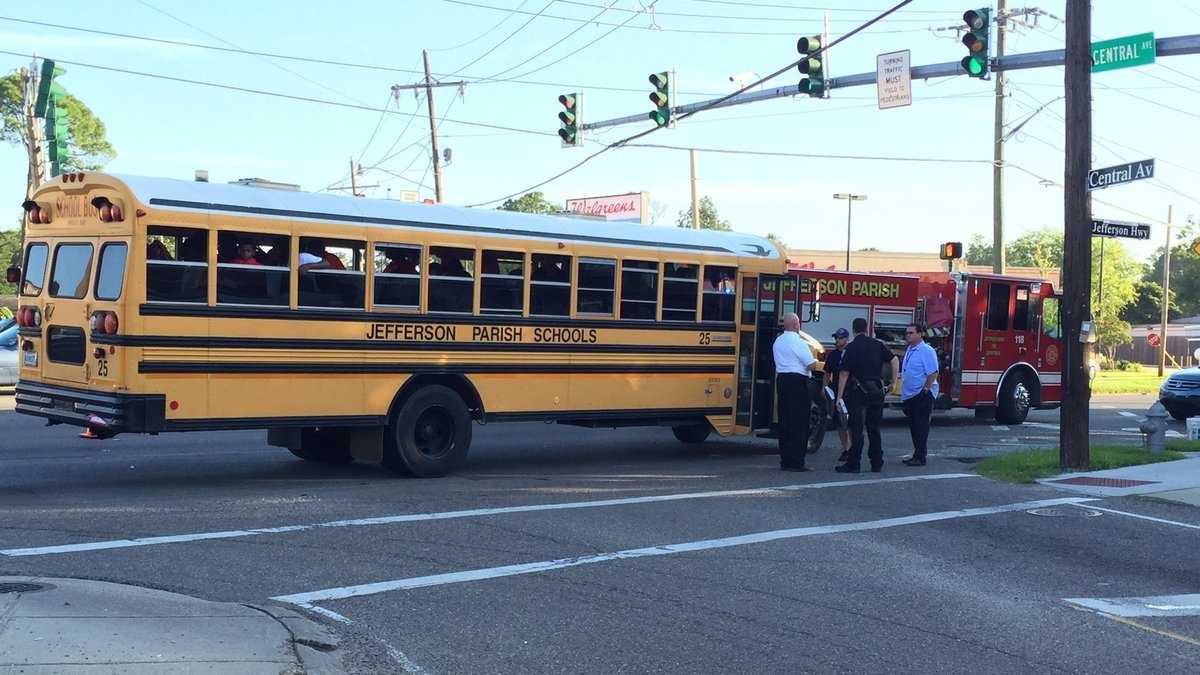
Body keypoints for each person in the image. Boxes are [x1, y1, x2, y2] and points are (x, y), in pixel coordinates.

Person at [835, 317, 899, 473]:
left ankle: (854, 463)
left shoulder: (851, 348)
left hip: (858, 392)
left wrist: (839, 396)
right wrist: (893, 382)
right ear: (866, 328)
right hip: (876, 391)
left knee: (857, 429)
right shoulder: (878, 344)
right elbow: (895, 360)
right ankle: (877, 463)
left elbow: (844, 373)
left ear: (854, 330)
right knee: (874, 428)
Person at [772, 312, 817, 472]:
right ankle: (797, 461)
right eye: (798, 323)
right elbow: (810, 364)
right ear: (796, 324)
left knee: (785, 422)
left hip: (782, 380)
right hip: (797, 382)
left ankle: (785, 460)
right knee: (799, 423)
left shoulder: (778, 340)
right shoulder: (798, 342)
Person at [900, 322, 940, 467]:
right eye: (907, 333)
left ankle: (920, 457)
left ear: (920, 334)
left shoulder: (926, 351)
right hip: (910, 395)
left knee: (921, 426)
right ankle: (916, 454)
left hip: (921, 394)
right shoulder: (911, 349)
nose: (908, 335)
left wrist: (925, 390)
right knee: (914, 427)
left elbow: (933, 372)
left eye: (911, 333)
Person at [824, 327, 852, 463]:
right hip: (836, 391)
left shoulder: (852, 353)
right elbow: (827, 372)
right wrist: (824, 388)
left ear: (847, 339)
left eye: (840, 338)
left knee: (849, 422)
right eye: (836, 338)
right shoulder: (833, 355)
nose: (837, 340)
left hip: (851, 392)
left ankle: (852, 448)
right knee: (839, 422)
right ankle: (846, 448)